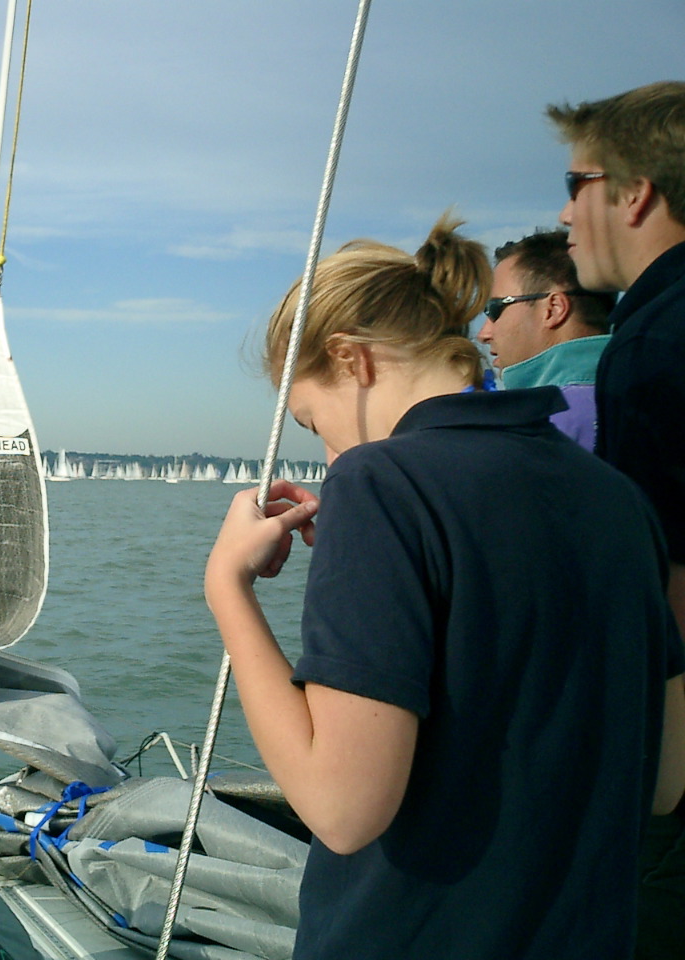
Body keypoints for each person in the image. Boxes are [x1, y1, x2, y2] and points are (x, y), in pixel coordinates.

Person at [204, 214, 685, 959]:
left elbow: (341, 807)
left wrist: (227, 590)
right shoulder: (618, 499)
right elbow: (664, 778)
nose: (331, 453)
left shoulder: (378, 484)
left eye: (313, 422)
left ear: (351, 359)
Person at [549, 81, 685, 959]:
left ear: (633, 192)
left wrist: (654, 772)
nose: (563, 217)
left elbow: (668, 568)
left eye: (574, 186)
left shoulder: (656, 340)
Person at [476, 228, 615, 449]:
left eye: (495, 309)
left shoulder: (541, 427)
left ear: (554, 309)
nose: (483, 334)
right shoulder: (650, 395)